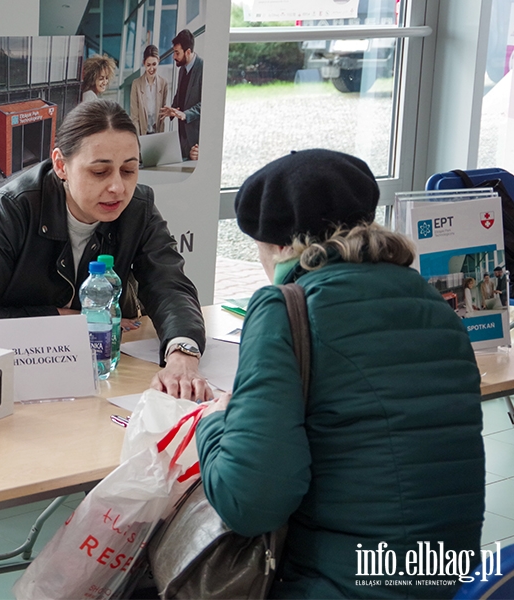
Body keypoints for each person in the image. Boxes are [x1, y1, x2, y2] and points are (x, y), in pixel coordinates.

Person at [195, 149, 484, 598]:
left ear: (278, 245)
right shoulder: (434, 305)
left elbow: (249, 502)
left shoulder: (287, 308)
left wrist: (213, 423)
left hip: (342, 585)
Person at [0, 99, 213, 401]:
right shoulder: (17, 207)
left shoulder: (138, 208)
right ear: (61, 165)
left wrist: (182, 352)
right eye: (100, 172)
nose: (118, 188)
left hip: (106, 376)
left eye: (129, 170)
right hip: (23, 382)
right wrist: (72, 318)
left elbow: (170, 287)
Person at [159, 29, 203, 160]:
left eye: (177, 53)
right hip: (182, 136)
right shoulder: (182, 70)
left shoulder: (204, 69)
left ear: (188, 52)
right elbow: (180, 94)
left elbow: (206, 104)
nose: (174, 57)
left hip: (196, 139)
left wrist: (185, 114)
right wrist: (173, 109)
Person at [130, 45, 169, 136]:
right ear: (144, 63)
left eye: (154, 64)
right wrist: (139, 139)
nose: (151, 69)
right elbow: (134, 117)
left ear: (158, 61)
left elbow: (163, 115)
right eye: (148, 65)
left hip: (157, 133)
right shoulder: (136, 84)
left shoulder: (164, 83)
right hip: (142, 133)